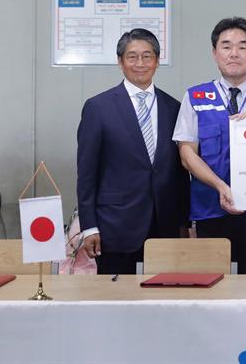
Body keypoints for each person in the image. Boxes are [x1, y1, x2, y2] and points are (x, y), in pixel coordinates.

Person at [173, 17, 246, 274]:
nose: (234, 53)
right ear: (214, 53)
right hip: (210, 210)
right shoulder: (196, 97)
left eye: (242, 46)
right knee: (210, 287)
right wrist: (221, 187)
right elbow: (187, 154)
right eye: (226, 46)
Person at [77, 28, 190, 274]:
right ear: (120, 62)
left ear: (157, 61)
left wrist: (183, 222)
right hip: (115, 227)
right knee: (116, 302)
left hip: (165, 227)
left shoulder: (174, 107)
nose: (140, 63)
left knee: (163, 300)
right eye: (132, 57)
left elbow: (180, 172)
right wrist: (89, 227)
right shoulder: (99, 107)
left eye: (147, 56)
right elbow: (86, 173)